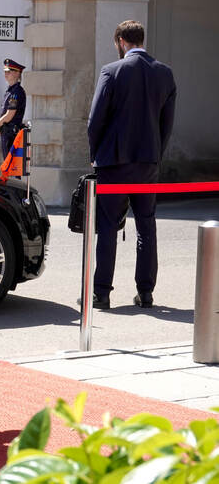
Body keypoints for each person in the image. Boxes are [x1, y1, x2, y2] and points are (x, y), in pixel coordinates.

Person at [87, 20, 176, 310]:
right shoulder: (164, 73)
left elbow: (95, 120)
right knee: (146, 226)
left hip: (114, 161)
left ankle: (101, 293)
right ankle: (146, 292)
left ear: (121, 42)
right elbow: (167, 125)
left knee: (108, 226)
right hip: (147, 161)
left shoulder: (112, 71)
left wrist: (95, 153)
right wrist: (155, 154)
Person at [0, 58, 26, 158]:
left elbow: (10, 114)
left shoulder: (16, 92)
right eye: (5, 71)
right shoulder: (11, 91)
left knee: (12, 167)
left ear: (17, 73)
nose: (6, 74)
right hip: (8, 133)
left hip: (12, 135)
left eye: (9, 72)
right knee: (9, 166)